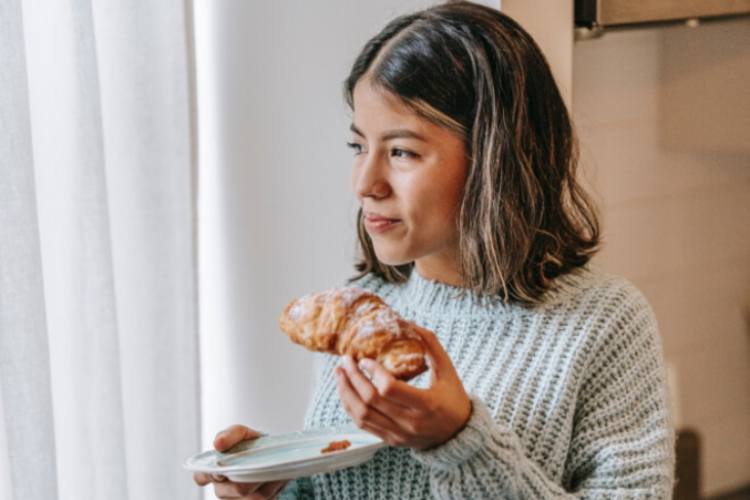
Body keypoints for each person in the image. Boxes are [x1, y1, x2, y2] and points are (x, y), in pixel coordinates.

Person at [193, 1, 677, 498]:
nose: (366, 183)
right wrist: (270, 492)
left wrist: (459, 441)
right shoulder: (365, 313)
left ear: (496, 158)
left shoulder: (602, 322)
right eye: (359, 147)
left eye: (401, 152)